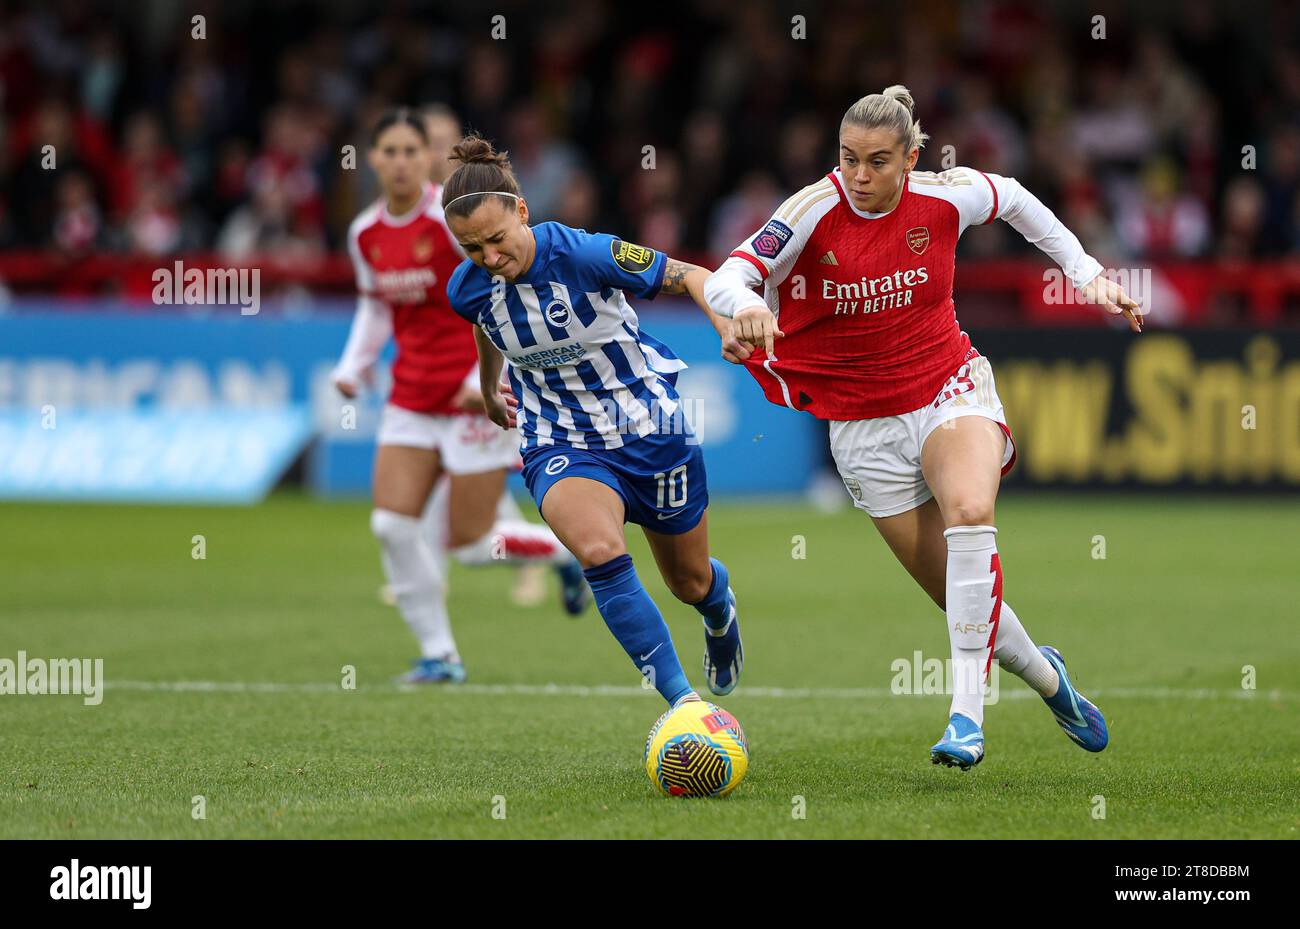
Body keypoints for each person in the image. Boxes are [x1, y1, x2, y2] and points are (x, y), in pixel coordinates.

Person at [704, 85, 1143, 769]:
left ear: (912, 158)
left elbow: (1021, 201)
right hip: (862, 426)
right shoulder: (809, 212)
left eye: (878, 162)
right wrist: (745, 309)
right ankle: (1050, 679)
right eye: (848, 159)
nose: (859, 176)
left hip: (950, 386)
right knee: (968, 602)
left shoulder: (947, 195)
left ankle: (966, 716)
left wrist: (1087, 275)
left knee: (970, 510)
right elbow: (728, 275)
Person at [442, 133, 745, 706]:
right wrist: (487, 387)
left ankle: (717, 606)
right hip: (557, 438)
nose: (489, 259)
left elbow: (694, 276)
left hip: (651, 431)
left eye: (497, 240)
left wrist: (726, 324)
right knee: (601, 553)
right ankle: (685, 705)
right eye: (472, 248)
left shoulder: (584, 254)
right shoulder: (470, 288)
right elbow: (483, 323)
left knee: (689, 582)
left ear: (522, 211)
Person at [331, 109, 588, 685]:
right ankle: (440, 655)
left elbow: (502, 290)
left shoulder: (454, 223)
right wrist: (354, 367)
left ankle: (565, 553)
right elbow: (376, 306)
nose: (398, 162)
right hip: (410, 396)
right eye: (387, 151)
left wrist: (492, 382)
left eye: (409, 151)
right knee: (390, 527)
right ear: (372, 159)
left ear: (428, 158)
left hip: (474, 396)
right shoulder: (364, 233)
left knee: (471, 546)